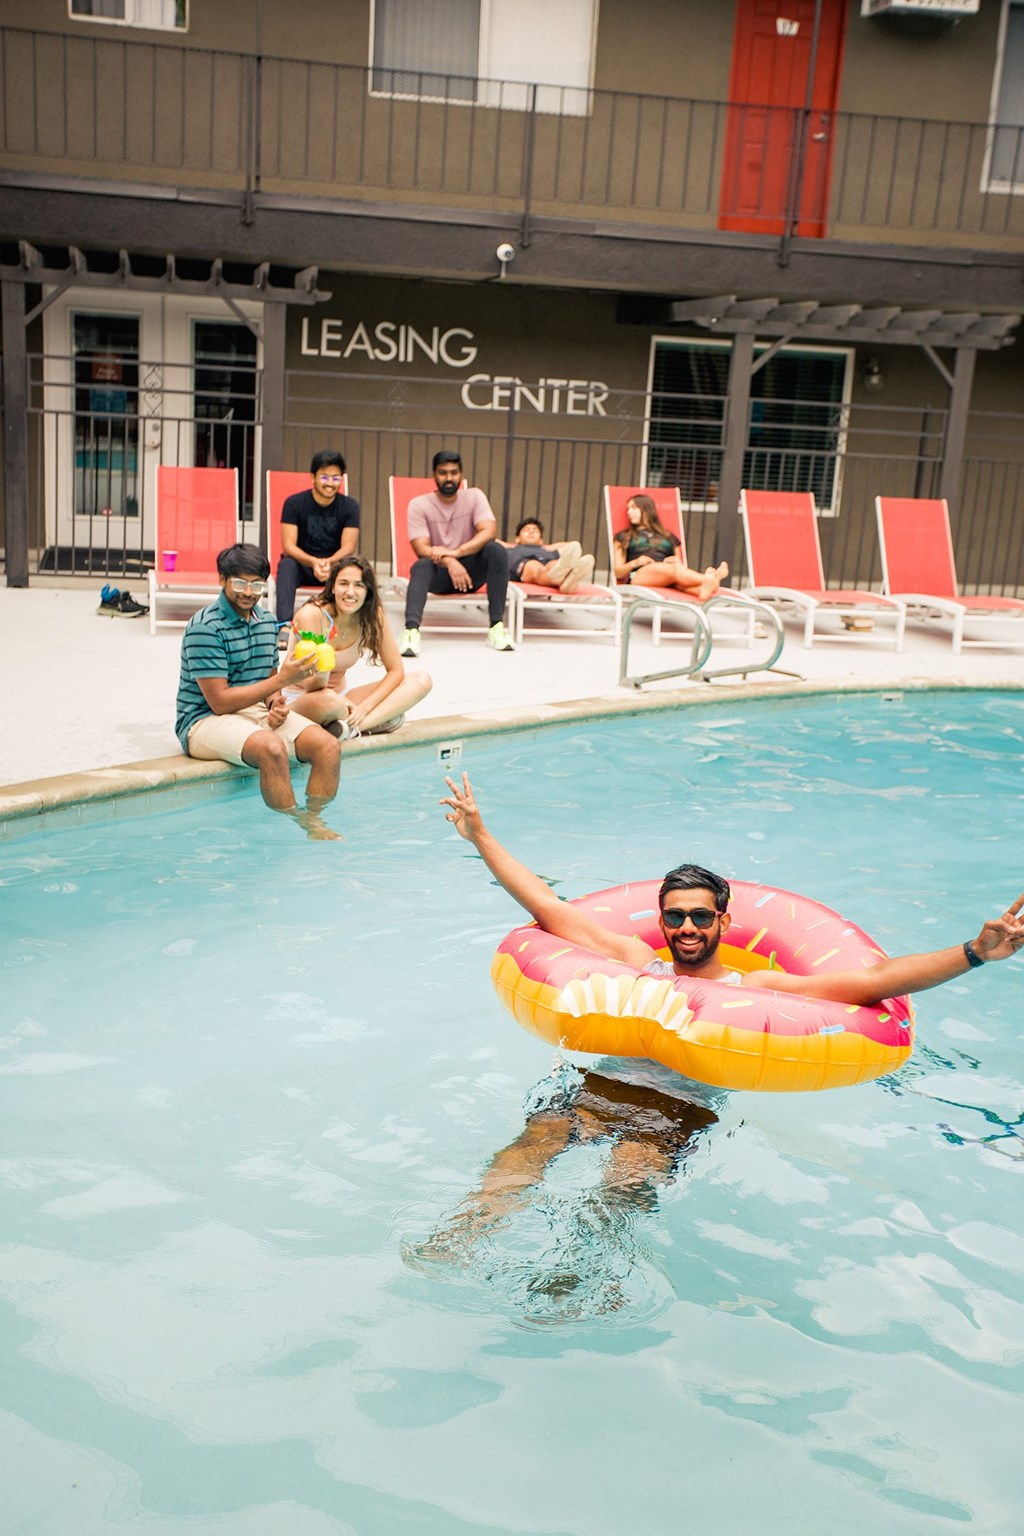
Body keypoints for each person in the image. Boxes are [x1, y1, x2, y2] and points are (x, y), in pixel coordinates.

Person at [439, 772, 1024, 1007]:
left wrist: (975, 953)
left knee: (621, 1185)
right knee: (529, 1148)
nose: (686, 928)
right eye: (675, 918)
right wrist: (479, 836)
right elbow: (547, 906)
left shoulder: (757, 984)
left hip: (677, 1106)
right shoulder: (639, 960)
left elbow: (871, 984)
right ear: (661, 921)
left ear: (723, 920)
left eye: (699, 916)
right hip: (605, 1074)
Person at [176, 543, 343, 839]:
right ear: (222, 580)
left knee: (328, 746)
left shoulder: (266, 622)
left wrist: (276, 704)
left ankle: (315, 819)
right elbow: (219, 702)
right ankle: (298, 822)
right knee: (271, 749)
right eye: (239, 582)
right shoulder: (205, 627)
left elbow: (267, 676)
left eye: (256, 584)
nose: (248, 592)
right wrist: (281, 683)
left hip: (253, 711)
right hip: (202, 720)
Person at [282, 554, 433, 737]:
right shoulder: (312, 615)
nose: (350, 592)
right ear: (332, 587)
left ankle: (353, 728)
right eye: (343, 583)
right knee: (330, 700)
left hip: (342, 697)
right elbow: (313, 687)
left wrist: (364, 708)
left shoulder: (372, 615)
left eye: (359, 585)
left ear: (368, 591)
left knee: (421, 680)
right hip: (304, 699)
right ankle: (376, 720)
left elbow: (396, 671)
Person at [400, 450, 515, 656]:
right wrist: (450, 561)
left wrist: (457, 553)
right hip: (440, 575)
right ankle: (411, 632)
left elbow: (489, 531)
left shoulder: (474, 496)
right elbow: (421, 548)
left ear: (461, 474)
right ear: (434, 474)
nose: (449, 478)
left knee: (495, 550)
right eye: (443, 473)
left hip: (471, 574)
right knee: (421, 566)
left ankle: (496, 627)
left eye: (454, 472)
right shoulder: (419, 505)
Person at [276, 449, 360, 625]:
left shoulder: (350, 507)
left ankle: (345, 624)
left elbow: (348, 546)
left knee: (356, 568)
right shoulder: (294, 503)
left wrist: (329, 563)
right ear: (313, 477)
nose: (330, 483)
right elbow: (288, 546)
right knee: (286, 565)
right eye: (324, 477)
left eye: (336, 478)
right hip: (303, 565)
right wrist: (314, 562)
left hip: (335, 566)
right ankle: (284, 624)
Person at [613, 493, 728, 600]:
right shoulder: (623, 537)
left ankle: (701, 590)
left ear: (646, 509)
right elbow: (617, 572)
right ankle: (710, 578)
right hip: (637, 574)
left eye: (633, 508)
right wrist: (636, 562)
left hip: (667, 573)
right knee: (675, 570)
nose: (629, 512)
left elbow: (679, 564)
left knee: (678, 577)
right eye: (628, 508)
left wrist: (675, 561)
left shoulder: (668, 536)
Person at [499, 519, 596, 593]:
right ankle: (564, 580)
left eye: (536, 531)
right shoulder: (510, 548)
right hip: (524, 564)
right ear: (517, 539)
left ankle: (565, 582)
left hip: (548, 562)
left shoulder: (547, 550)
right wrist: (507, 545)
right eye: (526, 530)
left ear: (541, 540)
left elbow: (571, 546)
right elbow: (491, 539)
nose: (531, 532)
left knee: (554, 564)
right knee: (537, 567)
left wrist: (549, 547)